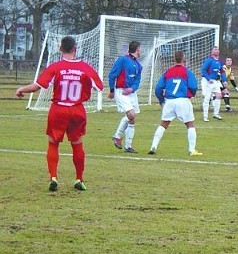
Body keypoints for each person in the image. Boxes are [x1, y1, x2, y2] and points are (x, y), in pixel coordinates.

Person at [15, 36, 103, 191]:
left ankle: (53, 177)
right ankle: (79, 179)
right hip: (77, 109)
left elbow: (37, 87)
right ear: (75, 48)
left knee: (53, 143)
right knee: (77, 143)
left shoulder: (56, 67)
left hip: (58, 109)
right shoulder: (85, 68)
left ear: (60, 49)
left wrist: (21, 89)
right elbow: (99, 86)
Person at [148, 50, 203, 156]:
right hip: (182, 100)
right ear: (184, 59)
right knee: (190, 124)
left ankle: (153, 146)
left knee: (163, 124)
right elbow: (193, 86)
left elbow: (158, 88)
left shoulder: (167, 72)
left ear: (173, 59)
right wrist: (190, 94)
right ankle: (192, 150)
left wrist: (161, 100)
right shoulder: (187, 72)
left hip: (169, 101)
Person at [108, 41, 142, 153]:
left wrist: (132, 89)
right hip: (121, 91)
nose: (140, 51)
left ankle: (128, 146)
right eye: (140, 49)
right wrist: (112, 90)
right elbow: (112, 75)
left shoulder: (138, 65)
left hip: (131, 93)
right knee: (131, 114)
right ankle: (117, 136)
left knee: (132, 119)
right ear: (137, 49)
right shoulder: (122, 60)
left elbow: (137, 81)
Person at [201, 46, 227, 121]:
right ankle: (205, 116)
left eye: (218, 49)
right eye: (215, 49)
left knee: (219, 95)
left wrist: (224, 80)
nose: (217, 51)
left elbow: (222, 71)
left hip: (215, 81)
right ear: (212, 52)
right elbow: (203, 69)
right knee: (207, 98)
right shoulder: (209, 60)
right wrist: (208, 78)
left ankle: (216, 114)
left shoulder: (219, 61)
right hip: (208, 81)